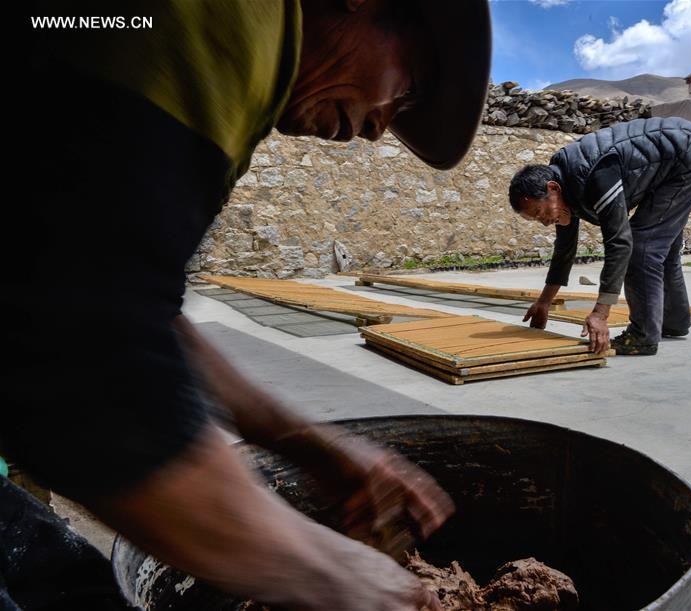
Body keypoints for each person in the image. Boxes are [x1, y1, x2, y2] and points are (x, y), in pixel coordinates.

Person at [5, 1, 490, 609]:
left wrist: (314, 449)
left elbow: (114, 286)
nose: (377, 130)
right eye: (408, 90)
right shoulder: (226, 19)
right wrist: (325, 571)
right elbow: (83, 353)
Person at [508, 117, 691, 356]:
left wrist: (600, 313)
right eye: (535, 219)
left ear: (552, 189)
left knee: (642, 247)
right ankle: (675, 322)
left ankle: (643, 336)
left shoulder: (594, 173)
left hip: (686, 157)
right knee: (660, 248)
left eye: (539, 212)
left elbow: (620, 241)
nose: (543, 222)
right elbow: (565, 249)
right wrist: (544, 302)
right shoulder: (564, 186)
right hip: (669, 159)